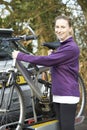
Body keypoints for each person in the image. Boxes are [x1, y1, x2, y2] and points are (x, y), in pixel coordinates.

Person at [12, 15, 80, 130]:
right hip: (59, 94)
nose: (59, 30)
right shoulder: (63, 47)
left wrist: (21, 56)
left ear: (70, 29)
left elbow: (47, 61)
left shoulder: (71, 47)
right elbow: (56, 63)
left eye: (63, 27)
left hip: (68, 95)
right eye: (57, 27)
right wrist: (54, 56)